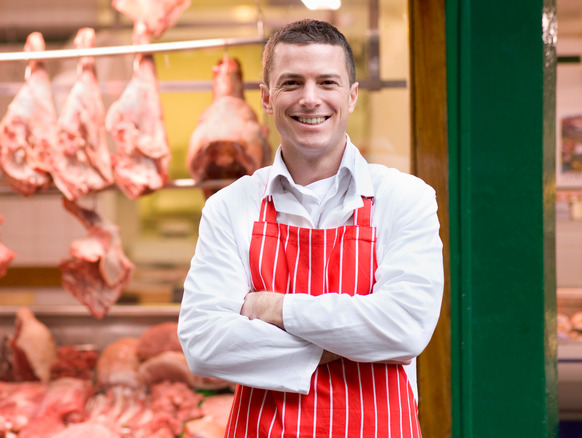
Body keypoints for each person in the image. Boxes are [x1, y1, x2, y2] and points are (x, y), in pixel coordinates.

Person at [177, 18, 444, 437]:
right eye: (291, 83)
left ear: (351, 96)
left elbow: (404, 327)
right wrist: (335, 348)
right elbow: (204, 345)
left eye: (327, 82)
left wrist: (275, 309)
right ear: (267, 98)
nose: (310, 99)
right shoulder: (229, 206)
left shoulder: (405, 198)